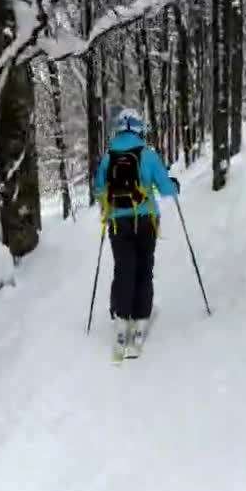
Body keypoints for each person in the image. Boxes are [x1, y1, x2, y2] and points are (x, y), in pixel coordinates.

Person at [95, 108, 179, 356]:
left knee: (123, 269)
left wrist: (108, 207)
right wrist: (174, 185)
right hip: (146, 221)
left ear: (119, 128)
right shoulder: (149, 155)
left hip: (118, 224)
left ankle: (122, 323)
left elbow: (99, 189)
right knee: (144, 270)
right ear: (140, 128)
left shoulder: (108, 157)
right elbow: (165, 189)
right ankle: (140, 323)